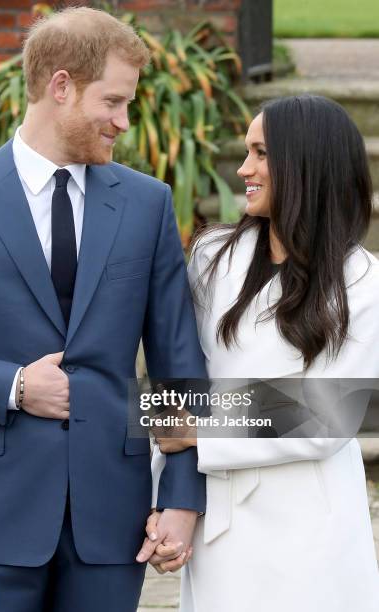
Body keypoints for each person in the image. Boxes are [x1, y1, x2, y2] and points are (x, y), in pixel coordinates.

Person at [0, 7, 206, 612]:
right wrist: (15, 386)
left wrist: (182, 498)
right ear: (60, 86)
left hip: (113, 524)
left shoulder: (147, 205)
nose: (124, 121)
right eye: (113, 102)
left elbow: (178, 366)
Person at [151, 95, 379, 611]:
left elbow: (329, 413)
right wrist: (168, 499)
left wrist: (203, 429)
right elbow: (178, 381)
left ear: (304, 164)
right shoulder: (213, 257)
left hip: (311, 526)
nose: (243, 168)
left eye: (260, 153)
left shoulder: (365, 282)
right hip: (221, 517)